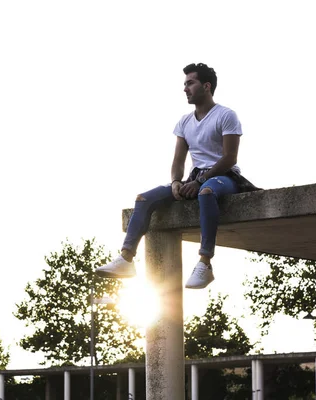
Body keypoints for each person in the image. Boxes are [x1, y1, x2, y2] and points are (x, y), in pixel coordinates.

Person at [95, 62, 258, 289]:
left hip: (224, 177)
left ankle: (205, 263)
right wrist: (174, 183)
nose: (185, 88)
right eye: (184, 84)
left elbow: (230, 158)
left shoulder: (226, 115)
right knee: (144, 198)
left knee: (207, 192)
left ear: (207, 86)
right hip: (194, 178)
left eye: (190, 83)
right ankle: (126, 258)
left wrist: (200, 181)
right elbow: (178, 161)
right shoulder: (184, 122)